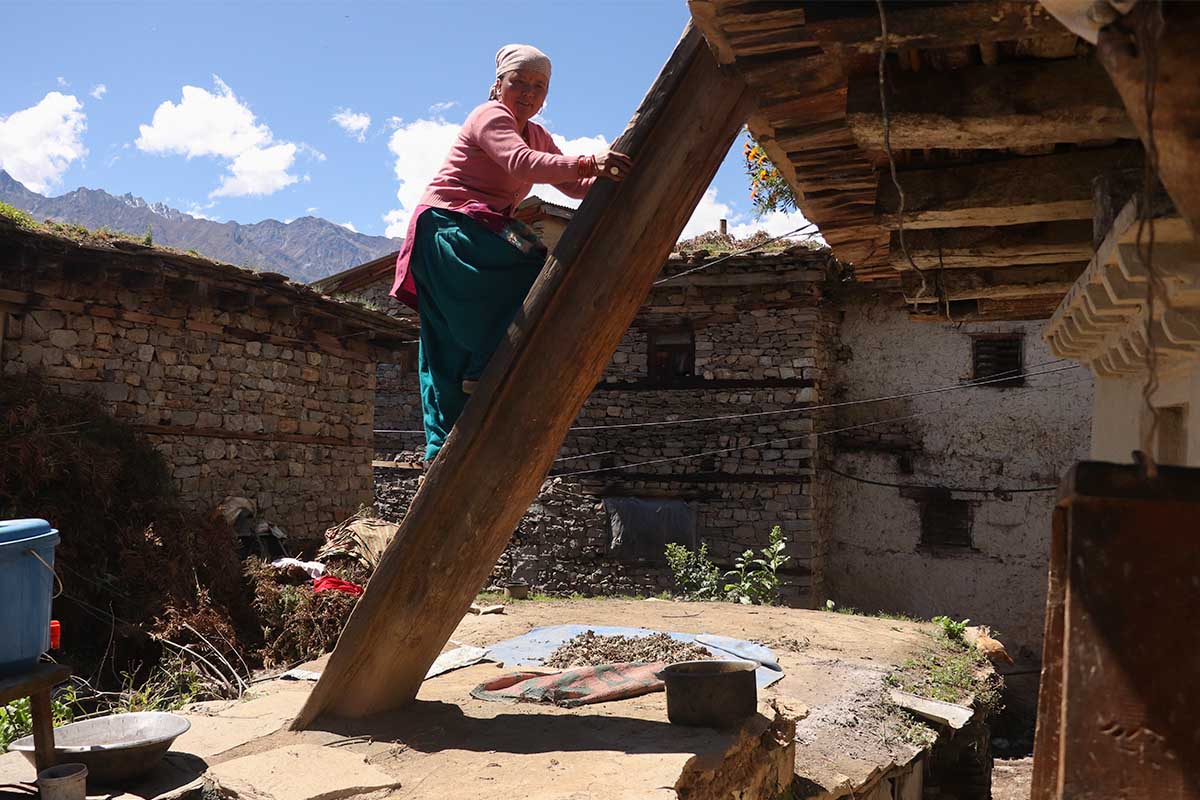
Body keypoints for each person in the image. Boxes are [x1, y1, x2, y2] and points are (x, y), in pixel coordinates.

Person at [391, 44, 632, 463]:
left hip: (476, 227)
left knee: (448, 339)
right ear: (499, 83)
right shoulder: (489, 117)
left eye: (539, 86)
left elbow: (571, 184)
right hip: (448, 228)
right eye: (519, 82)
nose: (528, 93)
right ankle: (480, 372)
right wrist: (591, 161)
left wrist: (621, 181)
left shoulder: (536, 133)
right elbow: (521, 163)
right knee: (530, 269)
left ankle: (449, 439)